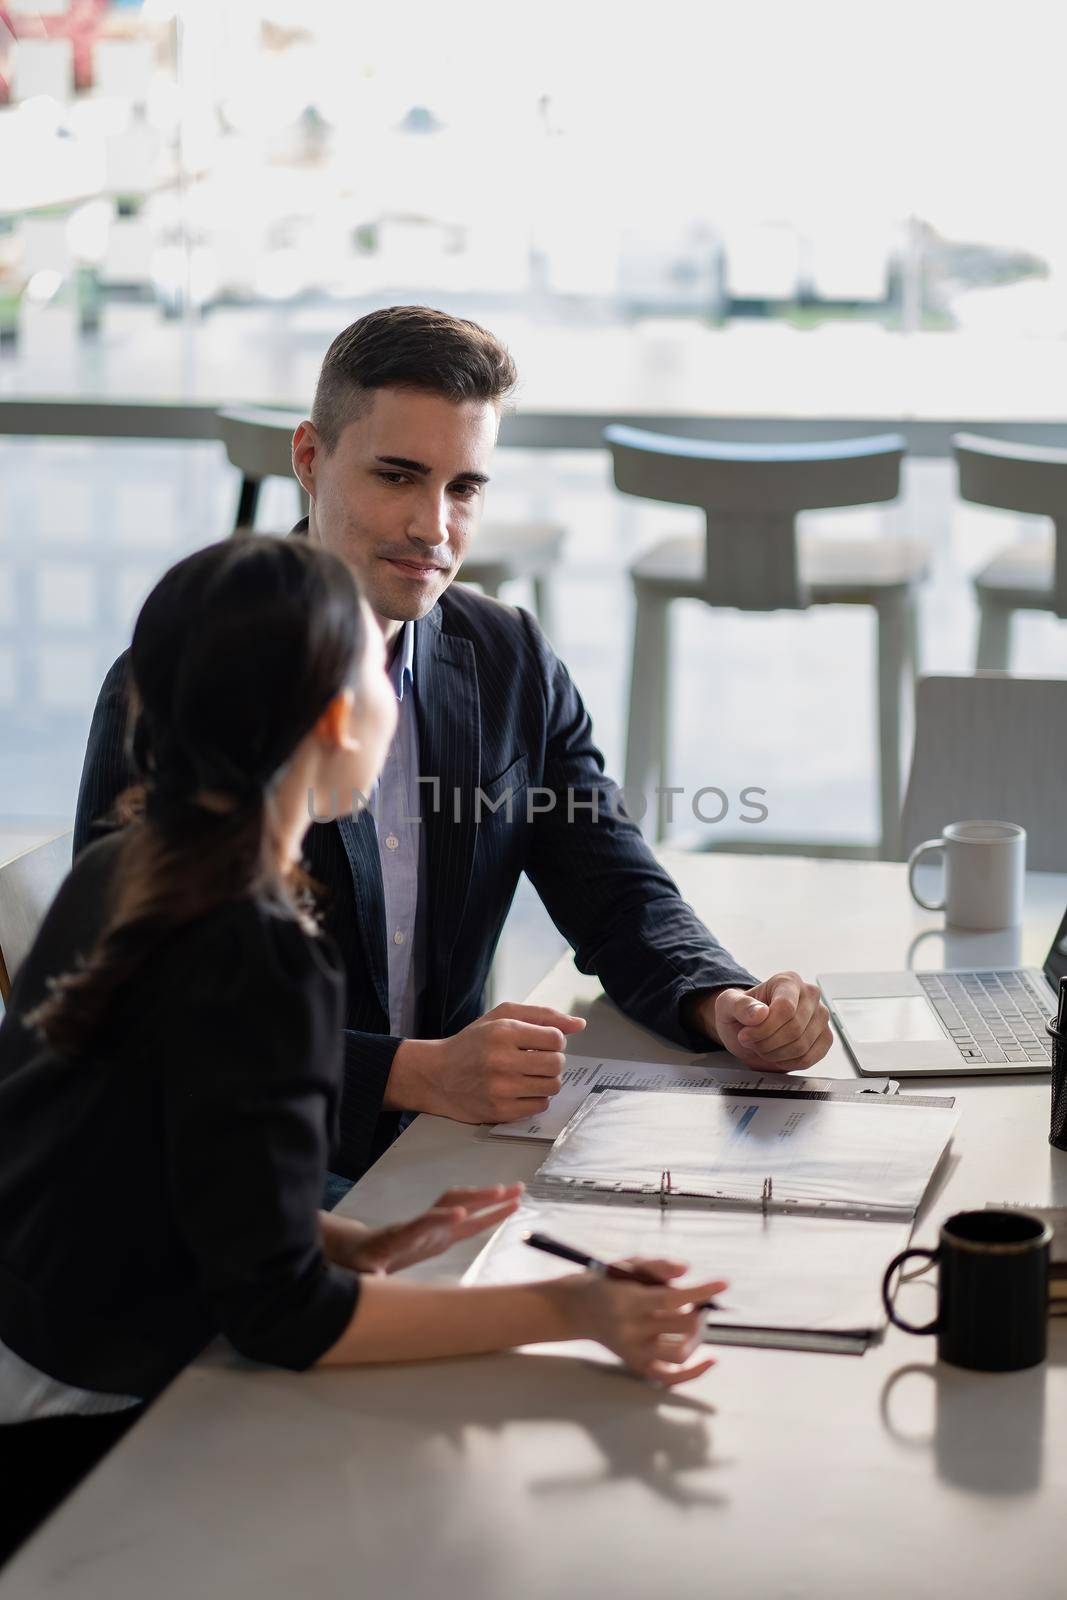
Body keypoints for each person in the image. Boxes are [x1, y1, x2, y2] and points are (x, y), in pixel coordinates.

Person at [0, 537, 725, 1566]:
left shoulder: (126, 867)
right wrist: (576, 1307)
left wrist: (340, 1238)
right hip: (83, 1417)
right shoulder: (262, 953)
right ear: (346, 720)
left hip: (32, 1316)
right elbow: (282, 1318)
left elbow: (161, 1141)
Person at [73, 305, 833, 1187]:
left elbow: (613, 887)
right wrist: (414, 1074)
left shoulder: (507, 657)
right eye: (398, 476)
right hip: (234, 1174)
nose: (434, 528)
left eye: (464, 487)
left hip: (443, 1151)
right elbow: (143, 1004)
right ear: (311, 460)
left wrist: (721, 1003)